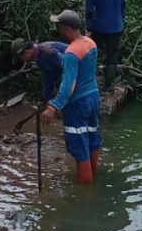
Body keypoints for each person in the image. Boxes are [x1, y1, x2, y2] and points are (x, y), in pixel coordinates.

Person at [41, 10, 101, 184]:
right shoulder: (90, 43)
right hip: (94, 98)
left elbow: (68, 85)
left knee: (79, 145)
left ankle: (85, 194)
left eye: (59, 25)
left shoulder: (71, 52)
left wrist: (52, 107)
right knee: (92, 138)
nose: (57, 28)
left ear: (66, 28)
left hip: (78, 103)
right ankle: (94, 175)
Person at [85, 0, 125, 89]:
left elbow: (90, 11)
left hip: (99, 28)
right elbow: (122, 4)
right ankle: (108, 86)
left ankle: (91, 84)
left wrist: (89, 29)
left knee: (92, 56)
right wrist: (121, 20)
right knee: (112, 58)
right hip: (116, 27)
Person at [11, 38, 67, 103]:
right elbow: (47, 79)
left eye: (21, 58)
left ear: (26, 52)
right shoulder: (39, 57)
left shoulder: (47, 51)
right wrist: (43, 99)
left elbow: (70, 65)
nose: (22, 61)